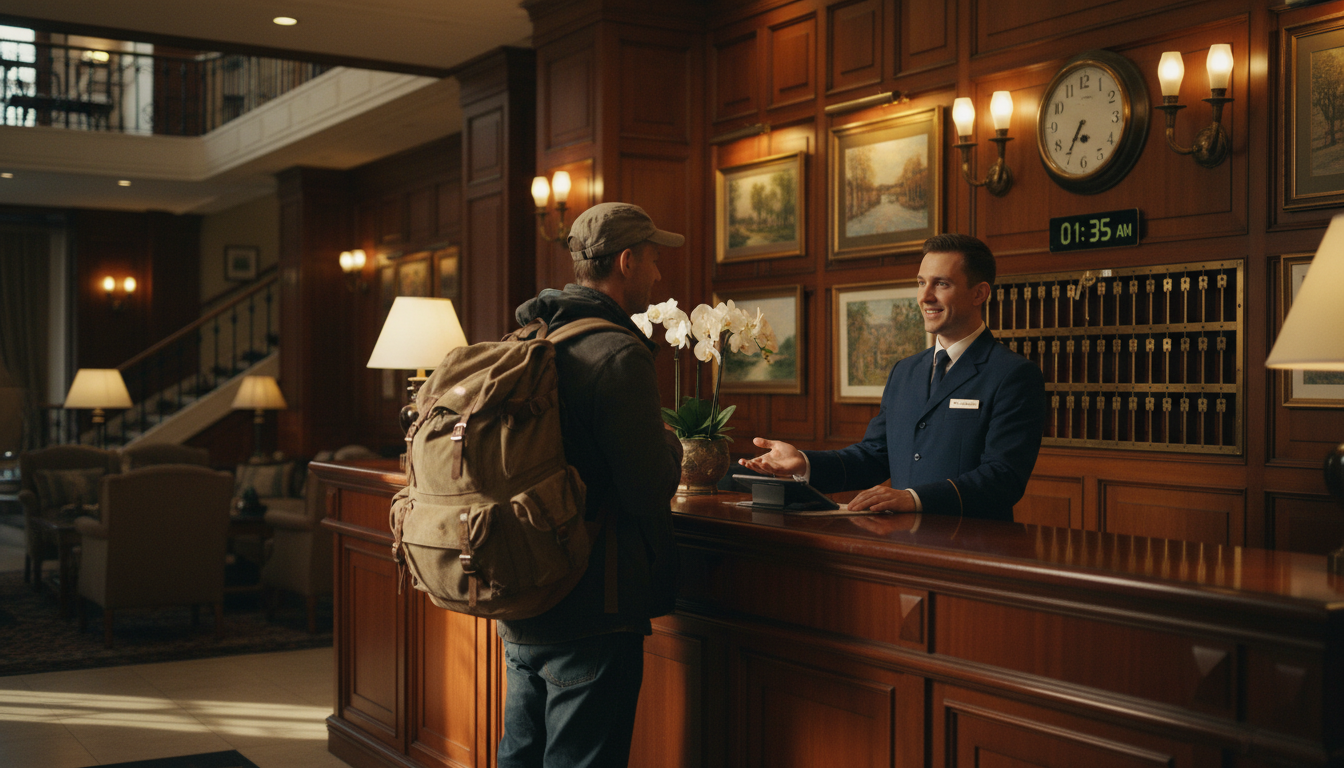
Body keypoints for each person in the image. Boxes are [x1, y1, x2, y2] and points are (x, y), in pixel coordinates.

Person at [498, 202, 684, 768]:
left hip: (524, 594)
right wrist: (673, 445)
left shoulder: (529, 337)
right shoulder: (618, 353)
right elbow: (647, 488)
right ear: (626, 261)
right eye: (653, 261)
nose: (658, 275)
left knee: (520, 757)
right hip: (592, 606)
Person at [740, 234, 1045, 521]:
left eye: (941, 284)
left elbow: (1003, 478)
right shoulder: (905, 371)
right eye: (921, 282)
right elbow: (874, 456)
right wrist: (804, 463)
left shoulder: (1013, 375)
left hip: (971, 550)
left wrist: (913, 499)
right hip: (902, 546)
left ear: (979, 293)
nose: (925, 296)